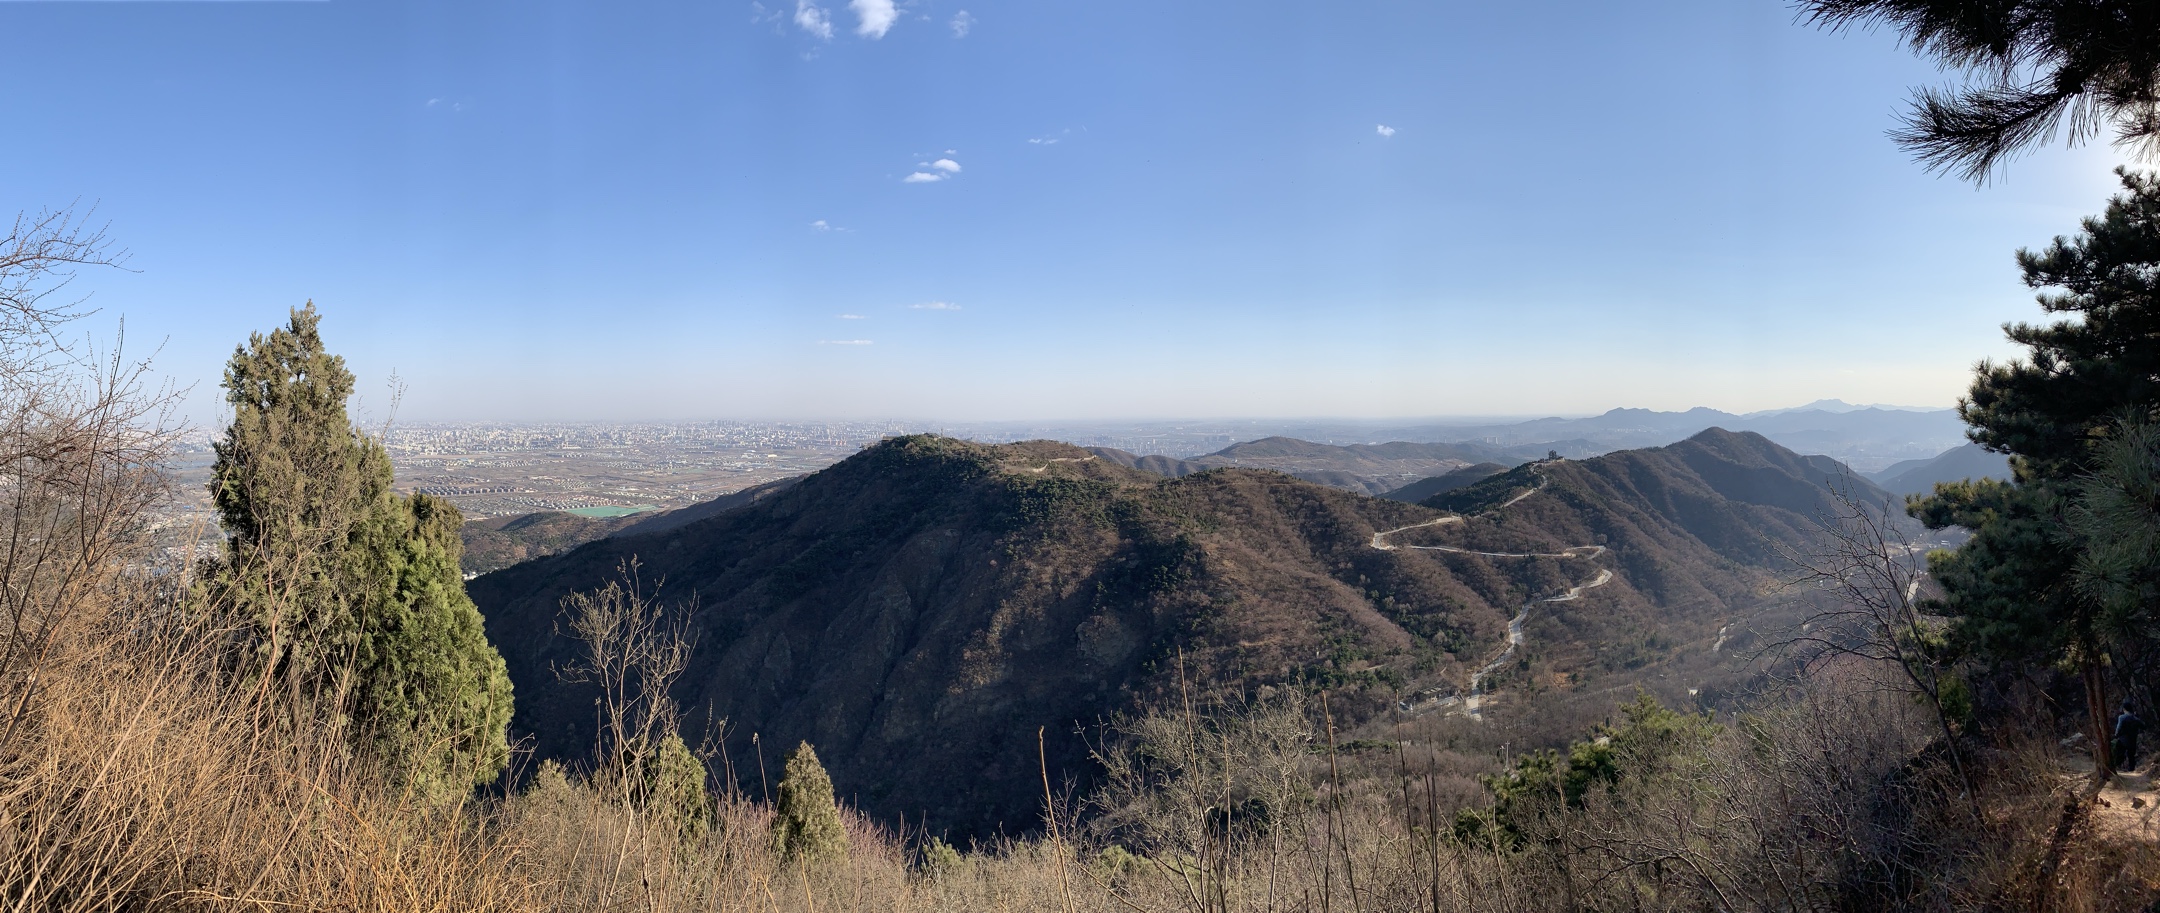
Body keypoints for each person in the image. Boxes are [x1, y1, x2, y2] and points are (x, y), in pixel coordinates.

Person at [2114, 701, 2144, 773]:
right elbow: (2143, 726)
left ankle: (2118, 767)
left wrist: (2116, 735)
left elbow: (2119, 728)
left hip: (2123, 739)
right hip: (2133, 740)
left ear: (2124, 709)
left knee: (2119, 753)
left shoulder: (2122, 717)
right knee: (2131, 755)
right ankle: (2131, 769)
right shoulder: (2135, 718)